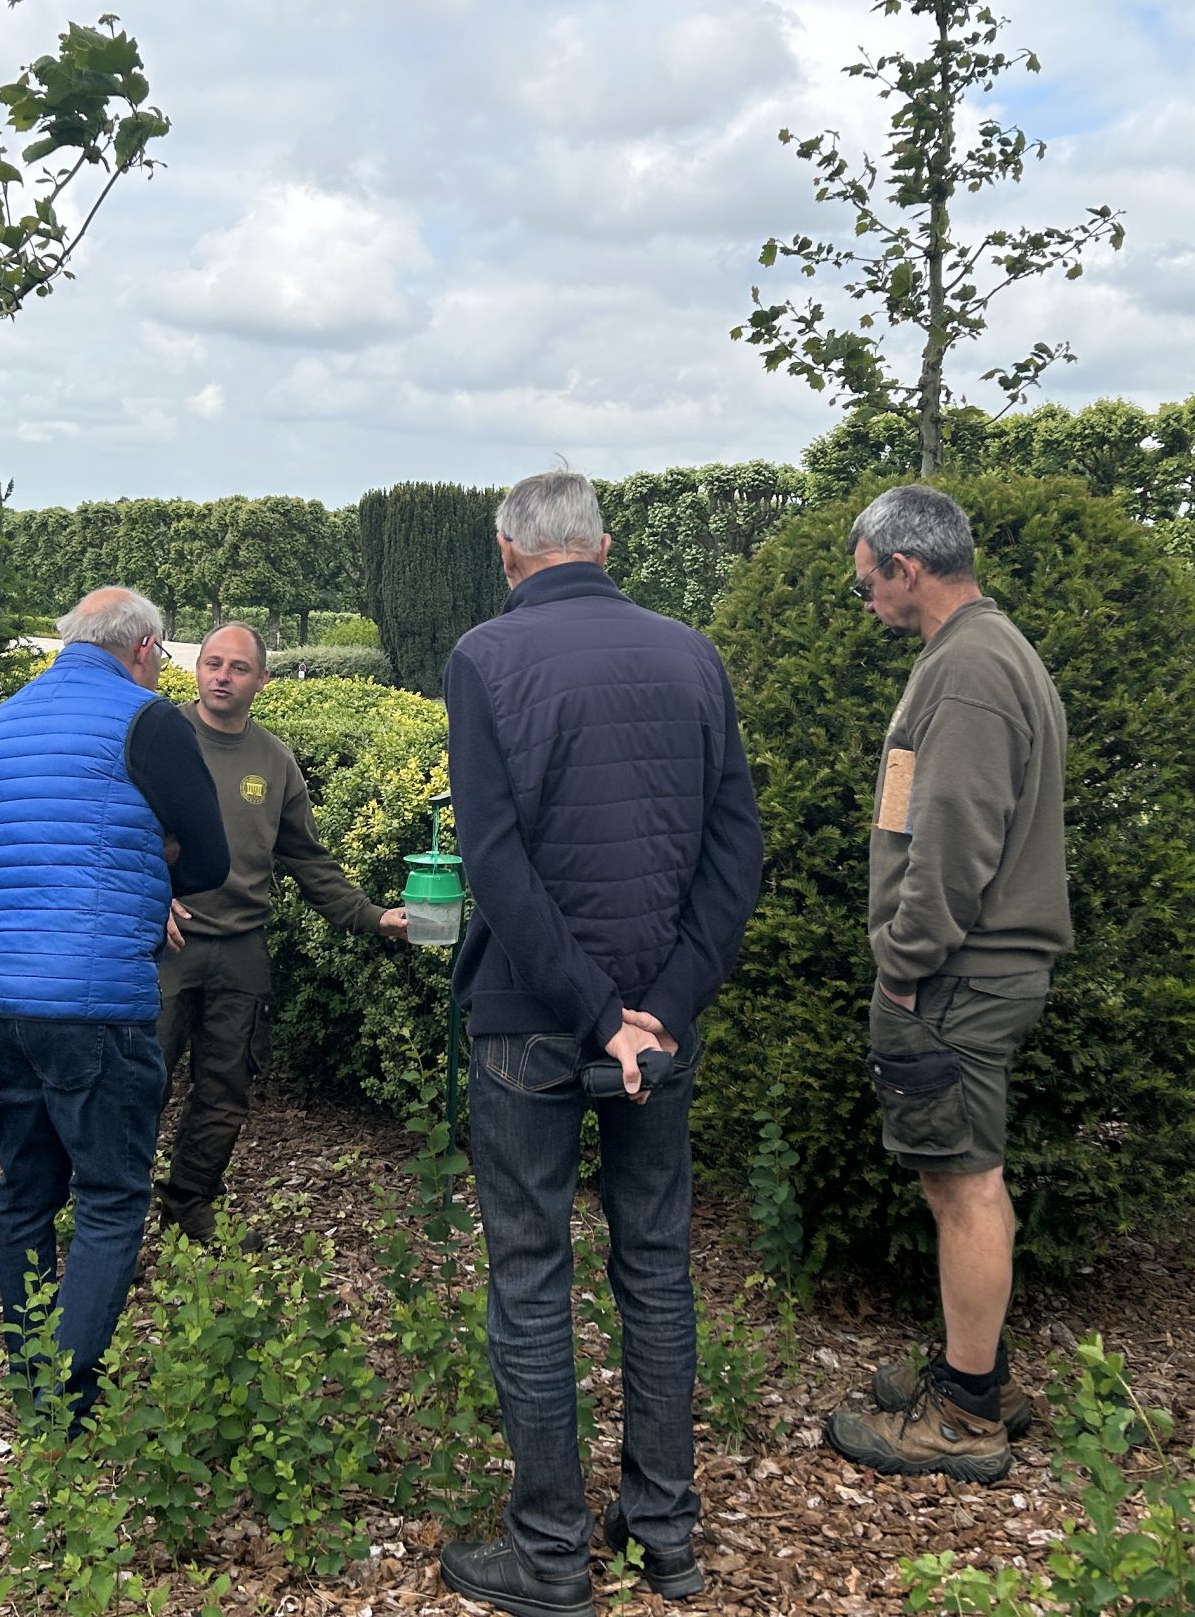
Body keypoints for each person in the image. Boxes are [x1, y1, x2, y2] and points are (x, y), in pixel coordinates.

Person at [437, 470, 763, 1617]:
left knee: (532, 1276)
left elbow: (494, 860)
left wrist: (591, 1013)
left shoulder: (484, 657)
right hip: (658, 1030)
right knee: (656, 1268)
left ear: (507, 552)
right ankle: (664, 1536)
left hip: (535, 1020)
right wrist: (659, 1009)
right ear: (605, 545)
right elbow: (736, 855)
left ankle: (548, 1555)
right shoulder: (692, 654)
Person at [821, 485, 1070, 1485]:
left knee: (961, 1183)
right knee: (970, 1175)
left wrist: (905, 961)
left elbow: (954, 839)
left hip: (957, 973)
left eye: (866, 584)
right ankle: (982, 1373)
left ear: (904, 568)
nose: (867, 602)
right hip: (976, 966)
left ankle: (965, 1418)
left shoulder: (966, 669)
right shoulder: (982, 650)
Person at [0, 586, 228, 1420]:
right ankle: (62, 1395)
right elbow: (211, 859)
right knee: (113, 1195)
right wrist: (161, 874)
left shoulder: (2, 719)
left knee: (25, 1191)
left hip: (0, 993)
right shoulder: (148, 721)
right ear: (147, 647)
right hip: (94, 996)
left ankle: (29, 1370)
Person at [156, 621, 408, 1243]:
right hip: (164, 946)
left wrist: (372, 916)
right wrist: (144, 900)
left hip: (241, 949)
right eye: (212, 663)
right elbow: (115, 828)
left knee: (225, 1091)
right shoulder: (162, 737)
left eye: (238, 667)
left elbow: (307, 858)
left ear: (262, 680)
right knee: (140, 1085)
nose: (221, 675)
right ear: (196, 669)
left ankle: (190, 1208)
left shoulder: (274, 759)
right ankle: (109, 1226)